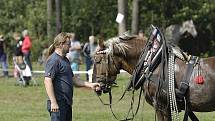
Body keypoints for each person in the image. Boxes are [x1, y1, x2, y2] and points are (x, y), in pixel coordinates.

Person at [44, 32, 100, 121]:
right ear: (61, 44)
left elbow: (74, 80)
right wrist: (53, 102)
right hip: (58, 103)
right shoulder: (53, 60)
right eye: (68, 44)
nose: (70, 47)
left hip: (66, 103)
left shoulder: (65, 60)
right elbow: (47, 81)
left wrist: (91, 85)